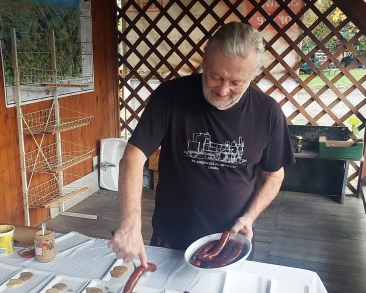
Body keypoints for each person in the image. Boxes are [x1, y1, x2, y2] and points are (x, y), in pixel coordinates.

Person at [108, 22, 295, 265]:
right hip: (170, 238)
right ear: (204, 61)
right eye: (215, 77)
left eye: (236, 82)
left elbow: (273, 175)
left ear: (253, 75)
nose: (223, 90)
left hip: (232, 243)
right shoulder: (170, 97)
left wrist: (249, 216)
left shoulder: (267, 112)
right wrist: (130, 223)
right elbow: (133, 156)